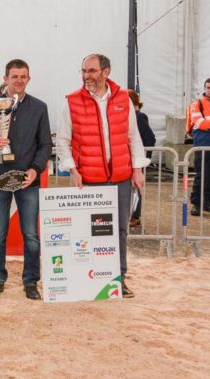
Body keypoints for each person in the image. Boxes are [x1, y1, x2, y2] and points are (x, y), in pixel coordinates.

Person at [57, 54, 151, 298]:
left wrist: (138, 169)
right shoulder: (71, 101)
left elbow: (134, 137)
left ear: (106, 72)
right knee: (89, 232)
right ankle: (89, 278)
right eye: (84, 71)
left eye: (92, 70)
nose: (86, 76)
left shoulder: (123, 99)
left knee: (120, 229)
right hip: (89, 178)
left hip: (120, 178)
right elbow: (63, 141)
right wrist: (73, 169)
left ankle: (119, 278)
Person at [0, 59, 52, 301]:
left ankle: (30, 281)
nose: (18, 80)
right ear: (5, 78)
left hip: (28, 181)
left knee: (30, 234)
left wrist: (35, 170)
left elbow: (45, 144)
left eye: (23, 76)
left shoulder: (39, 107)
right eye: (14, 76)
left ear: (29, 78)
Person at [128, 90, 156, 227]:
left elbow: (150, 138)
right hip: (132, 158)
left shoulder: (139, 117)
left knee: (135, 187)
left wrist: (143, 158)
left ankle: (134, 215)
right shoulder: (133, 116)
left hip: (136, 159)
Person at [187, 78, 210, 216]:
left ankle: (208, 203)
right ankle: (196, 204)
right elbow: (201, 124)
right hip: (203, 146)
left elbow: (206, 124)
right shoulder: (196, 104)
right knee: (201, 175)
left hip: (208, 144)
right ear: (204, 88)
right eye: (208, 87)